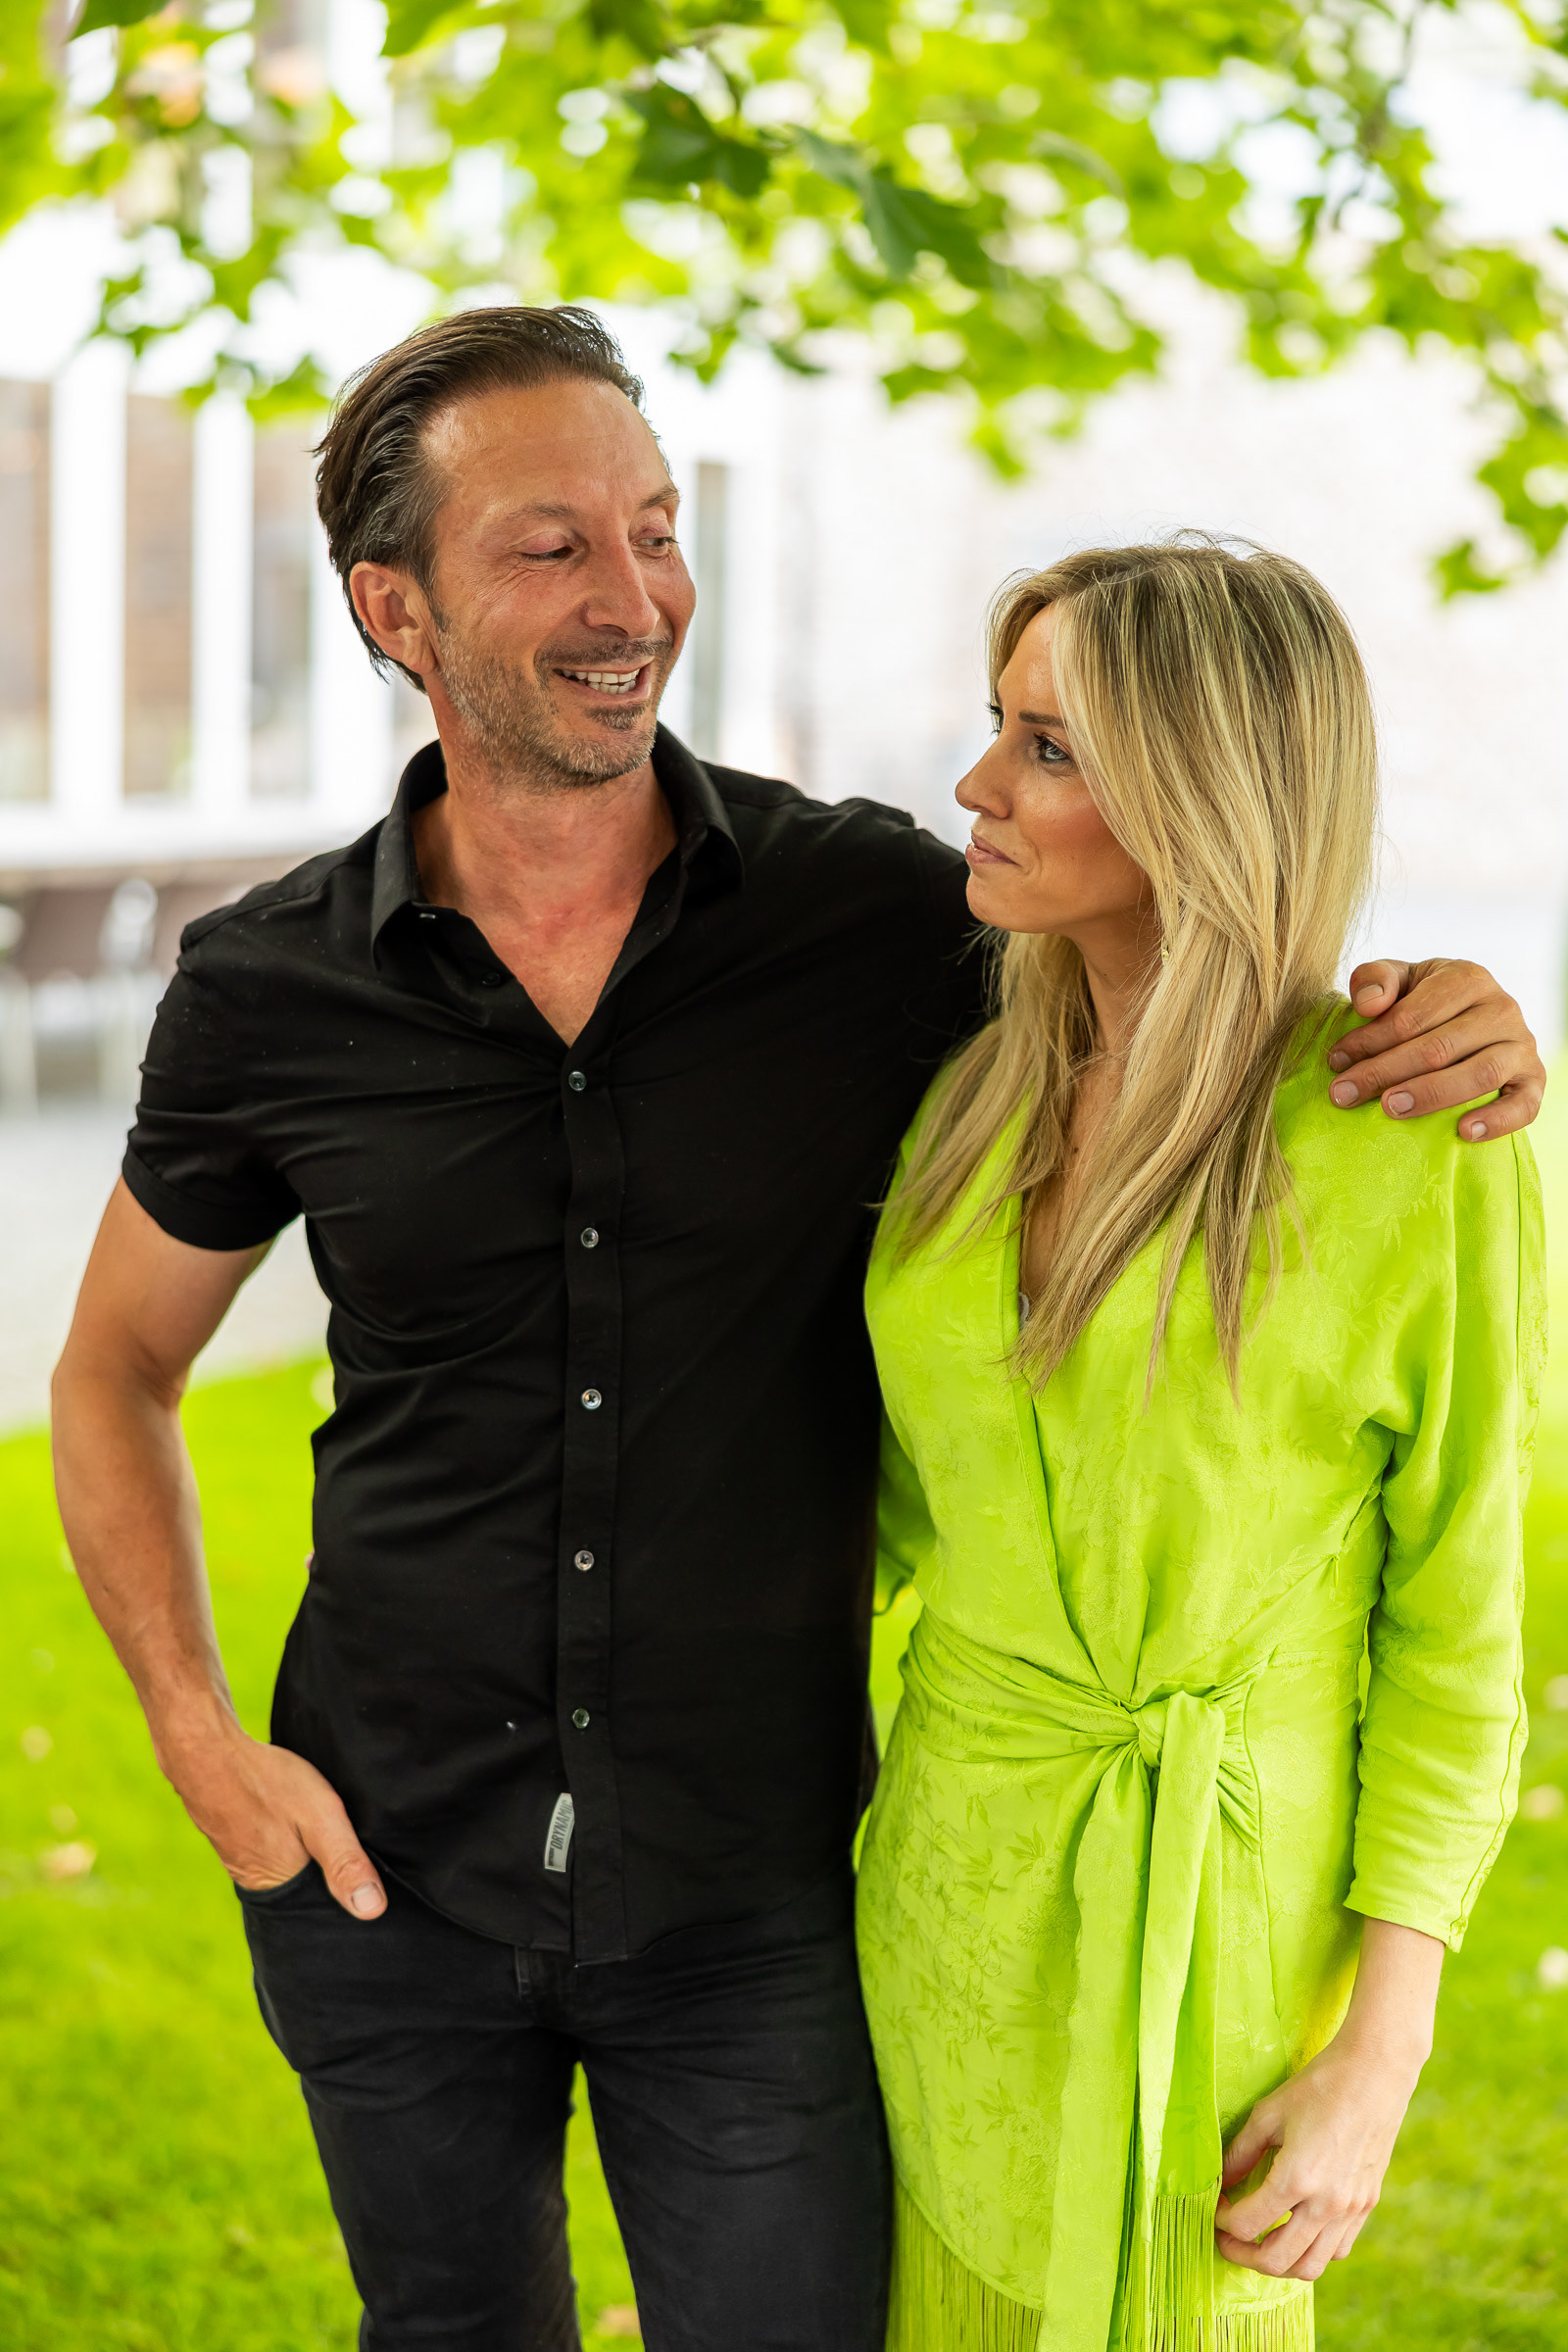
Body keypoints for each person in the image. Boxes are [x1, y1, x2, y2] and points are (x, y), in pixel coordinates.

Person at [49, 308, 1543, 2352]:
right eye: (551, 546)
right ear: (394, 609)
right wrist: (199, 1738)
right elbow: (114, 1368)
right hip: (385, 1874)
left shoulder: (883, 922)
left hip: (755, 1906)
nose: (633, 595)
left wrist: (1447, 1009)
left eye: (656, 528)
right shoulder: (262, 989)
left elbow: (1184, 956)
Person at [856, 539, 1544, 2352]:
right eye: (998, 725)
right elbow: (880, 1518)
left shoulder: (1411, 1139)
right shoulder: (963, 1110)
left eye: (1049, 747)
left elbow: (1459, 1636)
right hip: (933, 1906)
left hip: (1213, 1945)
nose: (977, 784)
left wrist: (1378, 2060)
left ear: (1206, 790)